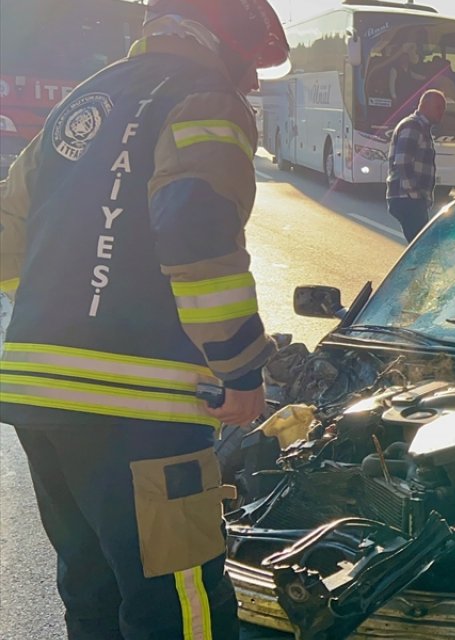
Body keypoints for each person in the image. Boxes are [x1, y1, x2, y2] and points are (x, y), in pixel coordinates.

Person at [0, 0, 288, 637]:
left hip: (36, 402)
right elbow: (196, 233)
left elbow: (6, 240)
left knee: (93, 592)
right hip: (142, 415)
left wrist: (67, 317)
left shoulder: (82, 104)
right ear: (227, 36)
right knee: (181, 605)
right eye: (249, 65)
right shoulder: (205, 98)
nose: (250, 84)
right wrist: (240, 368)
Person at [387, 89, 445, 242]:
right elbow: (402, 162)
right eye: (438, 108)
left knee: (420, 250)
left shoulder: (422, 128)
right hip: (407, 199)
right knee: (422, 250)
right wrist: (414, 195)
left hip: (411, 199)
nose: (442, 113)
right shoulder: (413, 126)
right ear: (425, 106)